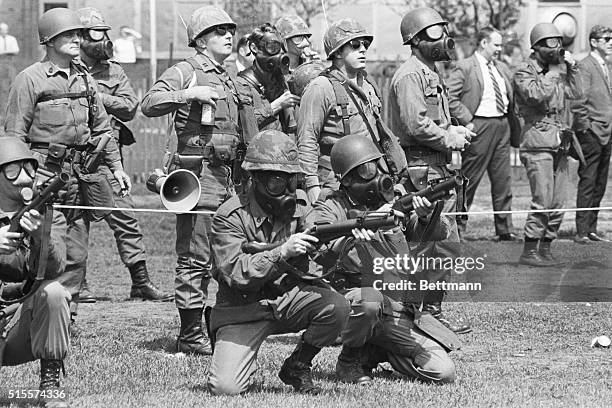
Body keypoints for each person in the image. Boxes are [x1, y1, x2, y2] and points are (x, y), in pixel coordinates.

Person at [141, 5, 257, 355]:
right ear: (201, 40)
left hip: (230, 179)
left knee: (230, 253)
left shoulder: (231, 77)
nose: (228, 35)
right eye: (219, 31)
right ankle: (190, 334)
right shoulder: (186, 71)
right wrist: (188, 95)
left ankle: (217, 323)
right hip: (199, 178)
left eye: (229, 30)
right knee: (195, 256)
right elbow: (149, 103)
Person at [3, 8, 131, 312]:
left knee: (76, 248)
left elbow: (101, 129)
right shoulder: (30, 79)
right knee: (46, 247)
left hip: (79, 176)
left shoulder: (86, 79)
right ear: (50, 39)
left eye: (79, 34)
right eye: (69, 34)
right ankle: (32, 309)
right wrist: (20, 179)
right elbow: (15, 135)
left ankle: (67, 314)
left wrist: (116, 168)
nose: (78, 39)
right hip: (43, 177)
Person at [207, 129, 349, 395]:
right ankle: (227, 343)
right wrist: (281, 252)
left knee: (337, 306)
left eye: (291, 181)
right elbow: (237, 273)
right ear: (254, 179)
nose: (286, 190)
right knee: (226, 388)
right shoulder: (230, 216)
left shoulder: (301, 208)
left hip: (287, 301)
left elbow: (319, 259)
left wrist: (347, 241)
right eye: (276, 182)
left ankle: (298, 364)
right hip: (243, 309)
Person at [314, 134, 458, 385]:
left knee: (443, 371)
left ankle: (375, 349)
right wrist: (360, 230)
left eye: (376, 166)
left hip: (396, 308)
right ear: (347, 179)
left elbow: (432, 236)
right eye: (367, 170)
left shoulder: (395, 198)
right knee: (369, 303)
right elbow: (319, 250)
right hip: (354, 303)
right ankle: (349, 359)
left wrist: (425, 217)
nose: (376, 174)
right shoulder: (330, 208)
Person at [75, 7, 171, 303]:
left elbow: (130, 107)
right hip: (72, 155)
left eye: (106, 33)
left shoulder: (113, 70)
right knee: (75, 222)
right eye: (96, 34)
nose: (104, 39)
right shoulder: (64, 67)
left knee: (125, 218)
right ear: (77, 37)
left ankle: (140, 282)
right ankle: (79, 284)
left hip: (106, 156)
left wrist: (96, 95)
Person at [388, 7, 474, 333]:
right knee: (425, 244)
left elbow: (434, 120)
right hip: (422, 170)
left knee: (443, 244)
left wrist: (454, 132)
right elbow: (415, 124)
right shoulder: (410, 75)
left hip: (437, 167)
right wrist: (448, 137)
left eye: (442, 30)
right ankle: (414, 314)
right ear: (416, 39)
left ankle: (432, 311)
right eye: (435, 32)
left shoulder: (430, 71)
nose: (443, 38)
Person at [297, 18, 406, 204]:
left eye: (365, 44)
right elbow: (306, 141)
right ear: (337, 52)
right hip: (337, 182)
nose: (363, 49)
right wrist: (312, 187)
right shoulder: (321, 88)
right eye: (355, 45)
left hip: (372, 177)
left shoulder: (369, 84)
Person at [0, 137, 70, 408]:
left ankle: (50, 388)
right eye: (12, 170)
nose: (23, 178)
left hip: (19, 324)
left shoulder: (50, 216)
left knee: (54, 292)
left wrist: (41, 235)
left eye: (28, 169)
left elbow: (55, 268)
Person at [513, 23, 581, 266]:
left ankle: (546, 246)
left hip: (560, 141)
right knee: (542, 198)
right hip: (537, 141)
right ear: (537, 46)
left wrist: (572, 70)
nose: (557, 49)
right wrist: (554, 71)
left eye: (559, 43)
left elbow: (578, 94)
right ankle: (529, 251)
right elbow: (535, 95)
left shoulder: (559, 71)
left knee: (559, 201)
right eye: (552, 43)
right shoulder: (523, 71)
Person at [447, 26, 518, 241]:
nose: (500, 48)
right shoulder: (465, 66)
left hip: (502, 126)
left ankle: (505, 229)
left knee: (503, 180)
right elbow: (450, 97)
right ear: (484, 43)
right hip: (479, 127)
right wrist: (467, 121)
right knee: (469, 181)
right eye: (496, 44)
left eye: (501, 45)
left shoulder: (502, 67)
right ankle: (458, 228)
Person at [571, 25, 612, 244]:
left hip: (606, 133)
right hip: (592, 134)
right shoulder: (585, 66)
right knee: (588, 182)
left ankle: (592, 229)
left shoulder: (606, 65)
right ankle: (581, 231)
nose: (611, 42)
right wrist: (587, 129)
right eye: (606, 38)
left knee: (600, 184)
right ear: (594, 42)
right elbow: (578, 103)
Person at [236, 24, 301, 134]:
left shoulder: (283, 80)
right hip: (258, 148)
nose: (279, 53)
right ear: (254, 48)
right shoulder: (243, 83)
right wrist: (276, 106)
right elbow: (244, 124)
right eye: (272, 47)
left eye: (281, 47)